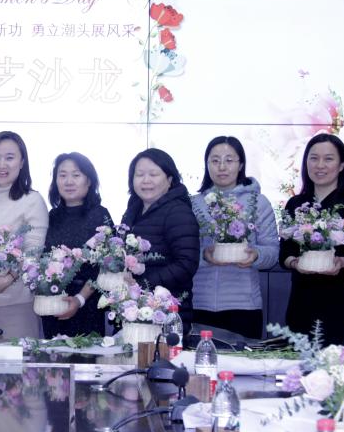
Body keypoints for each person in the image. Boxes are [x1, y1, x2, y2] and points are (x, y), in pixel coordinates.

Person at [279, 133, 344, 346]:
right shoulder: (295, 204)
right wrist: (295, 263)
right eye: (314, 158)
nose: (320, 165)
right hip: (301, 299)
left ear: (342, 165)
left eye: (328, 159)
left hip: (339, 297)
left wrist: (342, 262)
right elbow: (285, 253)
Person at [190, 136, 279, 339]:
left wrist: (255, 255)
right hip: (199, 303)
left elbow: (273, 252)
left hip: (244, 306)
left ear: (241, 165)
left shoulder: (259, 202)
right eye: (215, 160)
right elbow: (185, 252)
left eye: (229, 160)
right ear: (206, 164)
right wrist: (205, 255)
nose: (222, 167)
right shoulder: (194, 204)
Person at [0, 131, 48, 338]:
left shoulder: (32, 200)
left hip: (19, 301)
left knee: (19, 358)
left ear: (22, 162)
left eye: (10, 158)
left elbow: (33, 250)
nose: (2, 164)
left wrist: (8, 278)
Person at [120, 148, 200, 330]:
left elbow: (186, 264)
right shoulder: (132, 210)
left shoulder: (178, 212)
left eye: (153, 174)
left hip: (168, 313)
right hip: (136, 310)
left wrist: (143, 284)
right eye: (139, 174)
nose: (146, 180)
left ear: (170, 179)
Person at [42, 152, 113, 338]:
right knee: (53, 354)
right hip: (54, 303)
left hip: (87, 305)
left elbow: (106, 267)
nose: (69, 181)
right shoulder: (51, 216)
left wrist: (80, 299)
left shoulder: (100, 215)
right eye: (62, 175)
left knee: (86, 353)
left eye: (76, 175)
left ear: (88, 181)